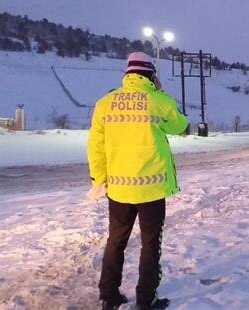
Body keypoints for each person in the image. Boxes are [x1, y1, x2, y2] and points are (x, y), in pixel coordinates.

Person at [87, 52, 189, 309]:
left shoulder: (105, 103)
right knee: (150, 243)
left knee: (116, 241)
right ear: (151, 75)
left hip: (119, 189)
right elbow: (180, 126)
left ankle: (108, 296)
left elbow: (95, 146)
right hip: (151, 188)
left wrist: (99, 178)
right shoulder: (158, 101)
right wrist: (162, 96)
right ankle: (146, 299)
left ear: (128, 75)